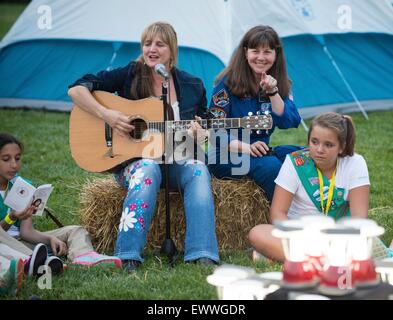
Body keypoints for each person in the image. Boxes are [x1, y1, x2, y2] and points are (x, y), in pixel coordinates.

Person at [68, 21, 219, 272]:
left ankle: (202, 252)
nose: (152, 49)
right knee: (148, 168)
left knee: (198, 170)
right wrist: (108, 115)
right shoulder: (129, 73)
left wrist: (200, 132)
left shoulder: (192, 85)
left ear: (172, 49)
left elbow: (204, 121)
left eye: (159, 44)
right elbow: (76, 90)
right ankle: (127, 254)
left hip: (176, 159)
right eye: (147, 43)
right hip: (134, 163)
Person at [248, 112, 372, 262]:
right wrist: (303, 235)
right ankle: (329, 259)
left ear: (342, 147)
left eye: (328, 145)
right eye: (314, 142)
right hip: (299, 235)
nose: (319, 150)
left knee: (361, 236)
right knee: (257, 233)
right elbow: (277, 213)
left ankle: (299, 258)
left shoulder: (355, 163)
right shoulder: (294, 163)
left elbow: (360, 218)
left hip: (339, 236)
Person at [208, 25, 302, 202]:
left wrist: (273, 92)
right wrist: (248, 148)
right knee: (272, 167)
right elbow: (214, 132)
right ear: (245, 52)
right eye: (255, 51)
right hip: (227, 156)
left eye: (267, 52)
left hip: (262, 151)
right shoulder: (225, 83)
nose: (261, 57)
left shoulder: (280, 82)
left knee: (305, 157)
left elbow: (290, 121)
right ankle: (281, 219)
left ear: (276, 54)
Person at [0, 133, 122, 269]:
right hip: (4, 245)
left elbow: (26, 232)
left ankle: (84, 256)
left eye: (17, 158)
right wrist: (11, 217)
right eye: (6, 159)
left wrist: (50, 239)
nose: (14, 165)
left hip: (23, 243)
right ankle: (36, 261)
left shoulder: (21, 186)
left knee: (75, 230)